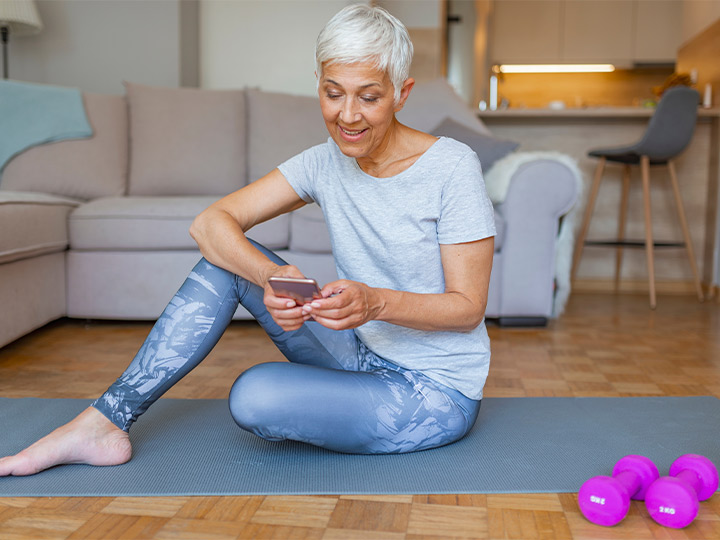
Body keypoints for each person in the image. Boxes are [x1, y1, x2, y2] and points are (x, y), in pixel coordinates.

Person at [0, 3, 495, 476]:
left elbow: (468, 308)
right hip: (358, 352)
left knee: (254, 397)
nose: (348, 116)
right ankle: (102, 425)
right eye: (333, 92)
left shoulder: (451, 167)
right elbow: (210, 223)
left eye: (369, 96)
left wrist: (377, 304)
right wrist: (271, 276)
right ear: (318, 87)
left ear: (401, 93)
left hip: (434, 390)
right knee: (225, 262)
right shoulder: (324, 161)